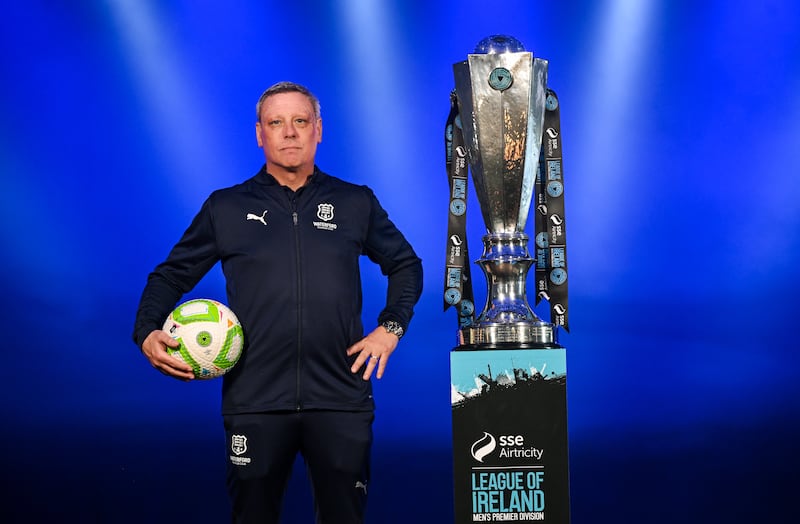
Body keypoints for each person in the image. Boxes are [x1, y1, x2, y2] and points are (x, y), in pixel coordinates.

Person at [132, 81, 423, 524]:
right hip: (256, 402)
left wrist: (391, 328)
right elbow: (170, 275)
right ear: (259, 134)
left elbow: (407, 265)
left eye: (300, 121)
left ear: (318, 130)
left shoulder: (354, 202)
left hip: (340, 399)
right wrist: (146, 330)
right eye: (276, 123)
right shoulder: (225, 207)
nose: (289, 132)